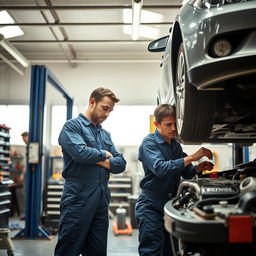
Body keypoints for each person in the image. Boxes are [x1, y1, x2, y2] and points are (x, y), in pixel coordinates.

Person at [54, 87, 127, 256]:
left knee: (97, 251)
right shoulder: (72, 127)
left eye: (110, 110)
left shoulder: (105, 135)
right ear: (92, 102)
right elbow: (80, 154)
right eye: (104, 108)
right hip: (78, 197)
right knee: (69, 249)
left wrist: (96, 158)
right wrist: (104, 154)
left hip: (101, 198)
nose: (107, 114)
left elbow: (120, 164)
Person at [135, 104, 214, 256]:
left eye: (174, 124)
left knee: (170, 251)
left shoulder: (175, 146)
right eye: (168, 124)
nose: (173, 129)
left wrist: (198, 167)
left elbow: (186, 171)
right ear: (156, 124)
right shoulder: (149, 143)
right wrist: (192, 157)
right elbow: (160, 169)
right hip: (150, 206)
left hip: (169, 206)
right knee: (152, 251)